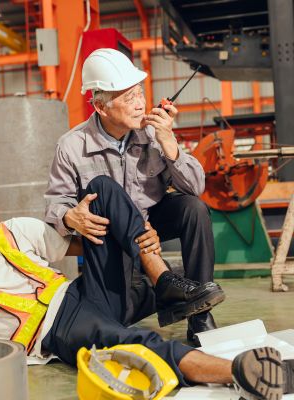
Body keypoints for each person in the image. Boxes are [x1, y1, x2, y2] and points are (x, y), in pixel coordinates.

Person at [0, 176, 293, 400]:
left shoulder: (11, 231)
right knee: (134, 343)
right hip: (57, 329)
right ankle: (238, 372)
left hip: (82, 292)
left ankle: (163, 281)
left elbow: (79, 244)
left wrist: (122, 237)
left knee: (102, 187)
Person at [45, 48, 217, 345]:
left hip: (153, 223)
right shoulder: (72, 146)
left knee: (194, 209)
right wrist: (70, 216)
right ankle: (163, 287)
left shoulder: (153, 133)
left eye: (140, 94)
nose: (140, 104)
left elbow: (195, 187)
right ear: (101, 107)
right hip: (112, 237)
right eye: (129, 98)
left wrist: (169, 142)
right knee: (114, 316)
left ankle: (198, 314)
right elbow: (55, 204)